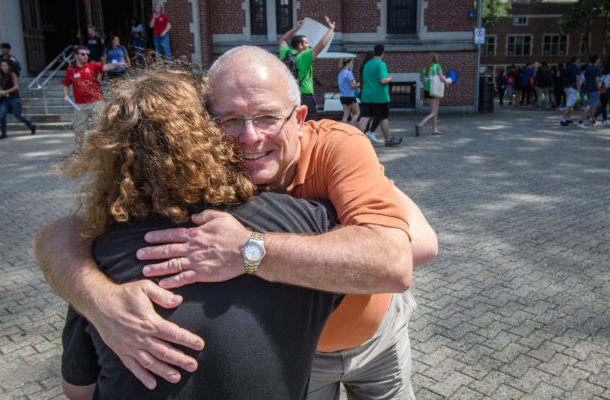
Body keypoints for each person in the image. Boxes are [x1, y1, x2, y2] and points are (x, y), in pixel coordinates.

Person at [35, 46, 437, 399]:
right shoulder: (210, 169)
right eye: (228, 120)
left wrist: (249, 250)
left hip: (375, 342)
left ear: (298, 119)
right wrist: (99, 301)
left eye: (266, 117)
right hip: (301, 355)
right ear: (203, 126)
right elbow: (66, 233)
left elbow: (395, 260)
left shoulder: (338, 147)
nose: (249, 137)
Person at [58, 67, 344, 400]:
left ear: (110, 158)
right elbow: (388, 245)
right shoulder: (309, 224)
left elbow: (77, 389)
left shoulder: (96, 260)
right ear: (209, 135)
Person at [62, 46, 126, 157]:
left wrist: (116, 64)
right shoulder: (70, 70)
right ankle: (77, 150)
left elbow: (105, 67)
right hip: (80, 104)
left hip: (96, 102)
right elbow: (66, 84)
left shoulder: (92, 66)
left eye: (86, 54)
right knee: (78, 127)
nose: (85, 56)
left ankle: (104, 149)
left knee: (102, 125)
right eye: (82, 54)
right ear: (76, 56)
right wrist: (66, 95)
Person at [279, 17, 336, 121]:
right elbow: (321, 45)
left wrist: (296, 28)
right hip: (304, 96)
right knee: (309, 126)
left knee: (292, 124)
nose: (308, 45)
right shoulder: (303, 57)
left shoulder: (285, 54)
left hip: (288, 96)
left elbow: (282, 39)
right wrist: (331, 29)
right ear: (300, 45)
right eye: (306, 43)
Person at [357, 44, 402, 147]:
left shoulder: (366, 64)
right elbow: (383, 80)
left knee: (364, 117)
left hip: (366, 96)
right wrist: (390, 78)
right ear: (383, 53)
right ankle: (388, 139)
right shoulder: (381, 64)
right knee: (383, 118)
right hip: (379, 97)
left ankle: (357, 139)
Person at [0, 60, 36, 140]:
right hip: (4, 99)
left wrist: (6, 91)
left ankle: (31, 126)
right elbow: (0, 85)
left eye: (5, 65)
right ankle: (3, 133)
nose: (3, 67)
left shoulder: (12, 74)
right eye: (2, 65)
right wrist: (0, 91)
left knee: (18, 116)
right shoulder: (0, 75)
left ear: (9, 66)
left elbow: (16, 86)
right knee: (2, 115)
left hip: (14, 98)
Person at [415, 53, 450, 137]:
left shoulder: (425, 68)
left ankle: (435, 129)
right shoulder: (437, 66)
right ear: (435, 59)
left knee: (433, 111)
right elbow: (441, 78)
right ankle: (420, 125)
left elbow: (423, 81)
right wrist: (446, 82)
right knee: (434, 112)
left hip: (427, 91)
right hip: (434, 91)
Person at [578, 54, 603, 129]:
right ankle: (580, 121)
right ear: (596, 60)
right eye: (599, 59)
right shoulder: (598, 69)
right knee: (589, 106)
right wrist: (599, 89)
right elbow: (597, 80)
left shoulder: (587, 69)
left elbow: (584, 81)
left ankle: (594, 121)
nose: (599, 60)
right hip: (594, 90)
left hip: (588, 89)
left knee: (591, 106)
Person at [338, 58, 360, 126]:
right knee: (357, 113)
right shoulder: (349, 73)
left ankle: (342, 130)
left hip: (342, 96)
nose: (352, 64)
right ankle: (351, 127)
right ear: (348, 64)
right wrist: (360, 84)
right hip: (350, 96)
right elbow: (352, 85)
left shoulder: (340, 73)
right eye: (351, 63)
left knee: (346, 115)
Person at [560, 56, 582, 126]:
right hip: (573, 87)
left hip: (566, 86)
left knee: (570, 103)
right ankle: (564, 119)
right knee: (569, 104)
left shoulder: (567, 67)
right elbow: (577, 78)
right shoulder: (577, 68)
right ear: (576, 60)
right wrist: (578, 88)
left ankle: (568, 118)